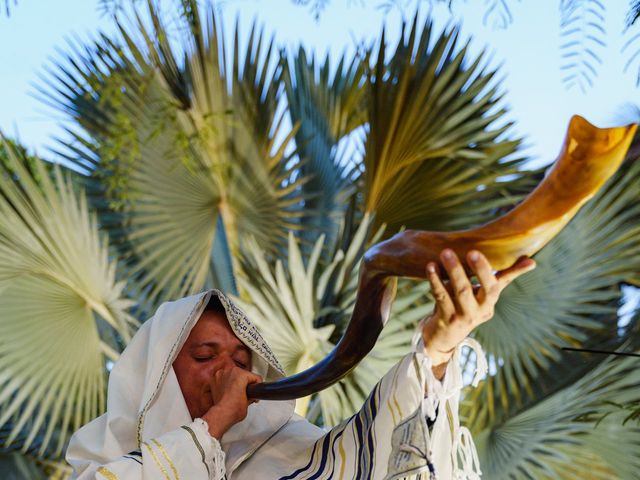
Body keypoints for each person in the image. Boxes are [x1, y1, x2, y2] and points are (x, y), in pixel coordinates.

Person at [66, 249, 535, 479]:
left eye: (241, 358)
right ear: (159, 376)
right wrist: (212, 424)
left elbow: (374, 459)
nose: (231, 372)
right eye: (205, 356)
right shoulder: (101, 456)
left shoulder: (293, 452)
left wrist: (439, 345)